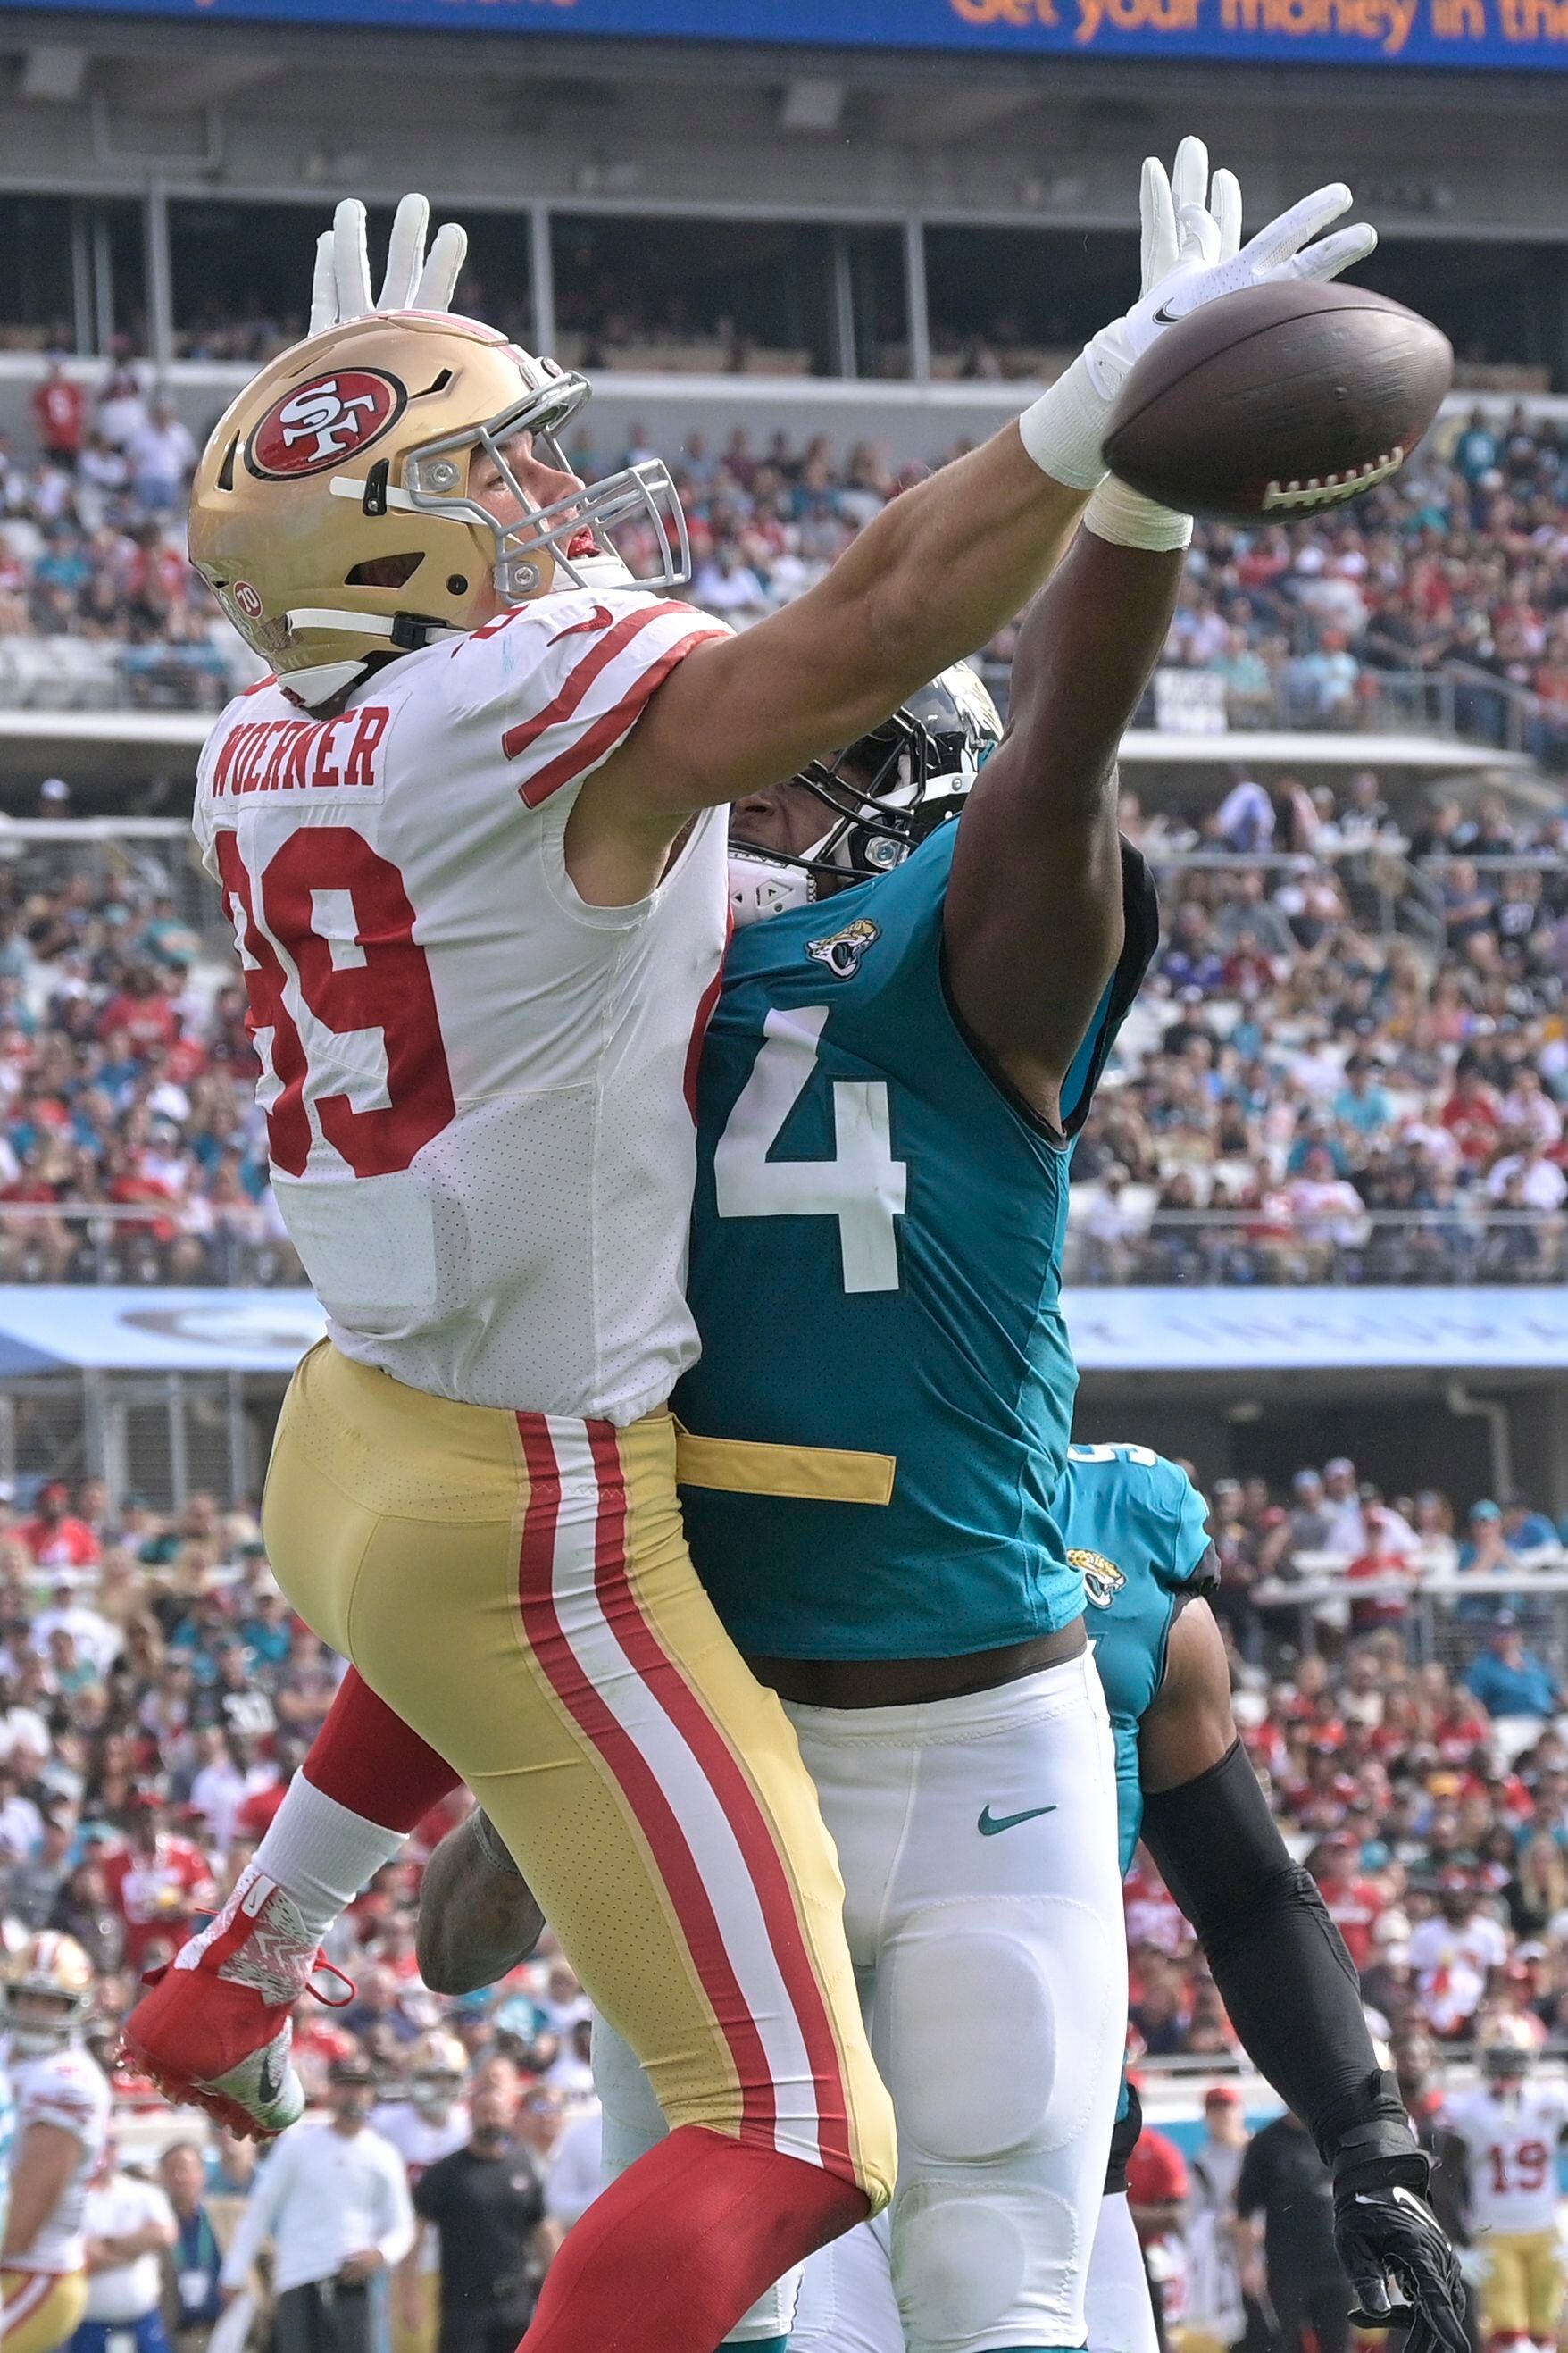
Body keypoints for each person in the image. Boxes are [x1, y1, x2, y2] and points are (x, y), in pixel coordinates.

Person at [129, 150, 1382, 2353]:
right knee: (846, 2183)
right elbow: (892, 647)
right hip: (691, 1587)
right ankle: (328, 1916)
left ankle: (260, 1946)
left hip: (488, 1487)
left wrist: (324, 420)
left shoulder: (458, 836)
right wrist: (1123, 465)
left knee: (925, 2238)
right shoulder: (654, 862)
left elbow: (1030, 778)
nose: (760, 806)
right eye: (503, 487)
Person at [421, 1438, 1466, 2353]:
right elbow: (453, 1950)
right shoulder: (696, 1499)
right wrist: (557, 1778)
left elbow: (1244, 1894)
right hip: (800, 2173)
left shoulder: (1115, 1533)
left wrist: (1365, 2127)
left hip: (1052, 2177)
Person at [218, 2057, 414, 2353]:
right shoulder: (298, 2145)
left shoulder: (383, 2154)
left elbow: (402, 2226)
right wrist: (234, 2274)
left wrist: (380, 2254)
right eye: (345, 2087)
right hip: (299, 2278)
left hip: (355, 2283)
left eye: (360, 2088)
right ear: (330, 2092)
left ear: (371, 2094)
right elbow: (261, 2209)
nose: (352, 2096)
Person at [1, 1936, 111, 2353]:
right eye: (28, 1998)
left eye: (51, 2001)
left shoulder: (67, 2082)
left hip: (37, 2273)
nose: (36, 2013)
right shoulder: (7, 2053)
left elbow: (23, 2224)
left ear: (76, 2005)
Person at [1441, 2031, 1568, 2353]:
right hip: (1496, 2235)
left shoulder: (1551, 2102)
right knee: (1512, 2341)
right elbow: (1447, 2183)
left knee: (1546, 2338)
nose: (1508, 2074)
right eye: (1502, 2066)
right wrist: (1458, 2240)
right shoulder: (1468, 2111)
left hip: (1545, 2232)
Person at [413, 2076, 555, 2353]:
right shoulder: (444, 2174)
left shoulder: (524, 2168)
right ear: (471, 2116)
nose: (490, 2120)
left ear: (510, 2117)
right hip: (464, 2304)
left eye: (497, 2113)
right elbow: (415, 2238)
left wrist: (557, 2289)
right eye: (483, 2113)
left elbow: (543, 2232)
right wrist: (411, 2294)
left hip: (516, 2300)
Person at [371, 2034, 469, 2353]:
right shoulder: (385, 2124)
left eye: (448, 2079)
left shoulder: (468, 2124)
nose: (440, 2088)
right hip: (403, 2254)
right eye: (431, 2078)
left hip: (457, 2254)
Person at [1236, 2109, 1349, 2353]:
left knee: (1339, 2343)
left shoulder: (1337, 2136)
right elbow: (1245, 2211)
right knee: (1283, 2343)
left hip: (1336, 2263)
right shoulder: (1267, 2142)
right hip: (1286, 2266)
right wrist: (1248, 2262)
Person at [71, 2141, 177, 2353]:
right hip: (89, 2325)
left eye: (111, 2143)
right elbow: (77, 2257)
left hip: (143, 2321)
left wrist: (106, 2246)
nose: (105, 2151)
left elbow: (164, 2235)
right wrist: (134, 2251)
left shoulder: (144, 2193)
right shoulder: (71, 2198)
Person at [154, 2144, 229, 2353]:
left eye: (186, 2169)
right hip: (176, 2336)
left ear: (202, 2173)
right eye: (172, 2170)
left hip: (228, 2334)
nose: (180, 2177)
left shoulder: (231, 2214)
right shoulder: (154, 2225)